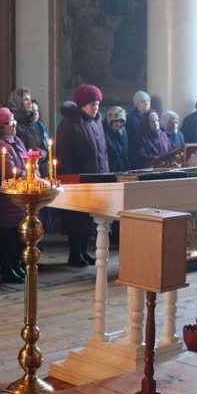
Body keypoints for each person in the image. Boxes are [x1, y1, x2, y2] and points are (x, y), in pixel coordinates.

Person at [56, 84, 109, 267]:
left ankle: (85, 250)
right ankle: (75, 253)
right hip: (77, 179)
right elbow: (64, 154)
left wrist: (105, 174)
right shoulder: (69, 123)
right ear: (82, 104)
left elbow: (102, 152)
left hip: (97, 177)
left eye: (97, 104)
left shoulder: (96, 122)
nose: (95, 108)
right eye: (92, 104)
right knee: (76, 218)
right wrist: (70, 178)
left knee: (90, 218)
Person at [0, 107, 28, 283]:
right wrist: (25, 172)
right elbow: (8, 171)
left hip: (18, 197)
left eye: (14, 122)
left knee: (17, 235)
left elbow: (26, 159)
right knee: (6, 236)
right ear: (1, 127)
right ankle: (7, 268)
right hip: (5, 198)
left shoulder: (16, 141)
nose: (14, 126)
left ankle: (16, 264)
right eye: (11, 123)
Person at [102, 106, 132, 173]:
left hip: (124, 170)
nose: (118, 124)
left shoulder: (123, 131)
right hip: (111, 171)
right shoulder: (104, 133)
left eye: (121, 121)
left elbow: (126, 153)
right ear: (110, 120)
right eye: (115, 121)